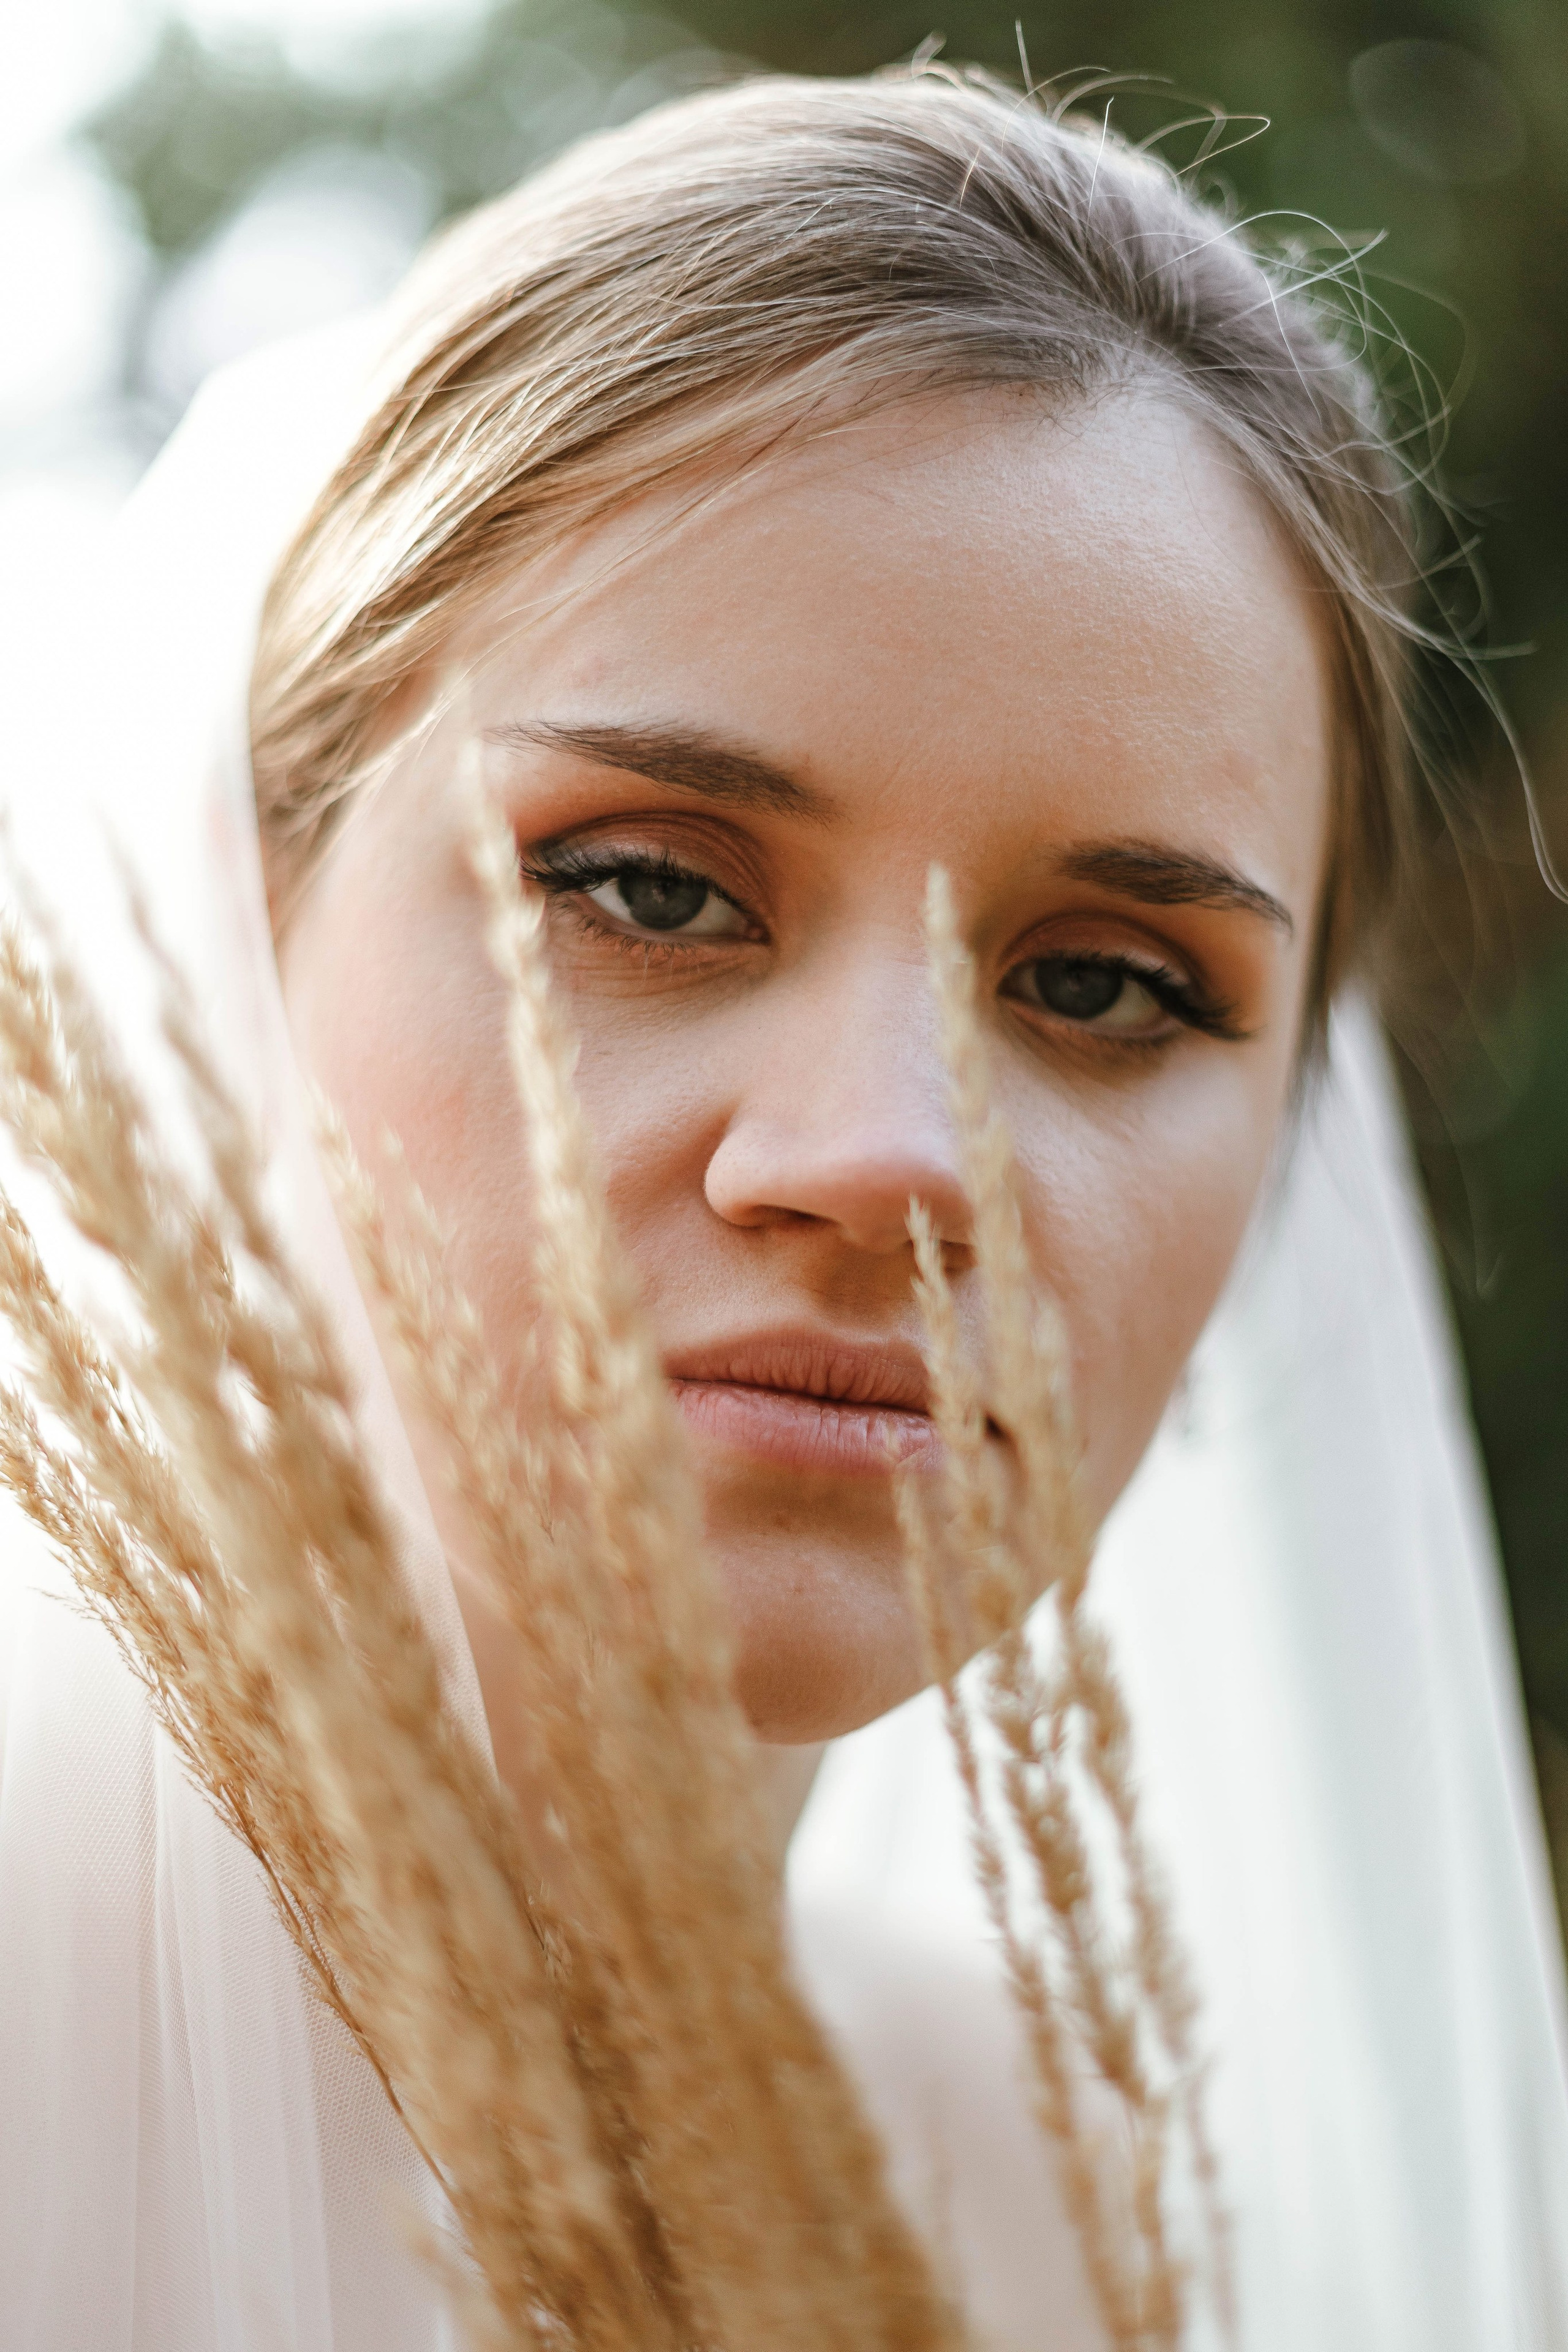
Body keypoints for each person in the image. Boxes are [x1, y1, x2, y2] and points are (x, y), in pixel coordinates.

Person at [0, 64, 1563, 2352]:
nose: (894, 1156)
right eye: (648, 884)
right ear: (240, 925)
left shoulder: (1088, 2239)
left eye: (1107, 986)